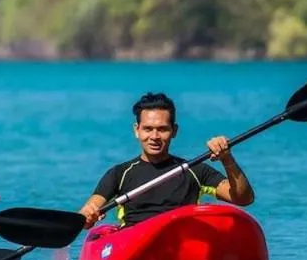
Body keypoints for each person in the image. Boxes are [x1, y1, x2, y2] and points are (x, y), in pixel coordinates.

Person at [77, 92, 255, 228]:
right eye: (148, 129)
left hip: (183, 241)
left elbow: (243, 198)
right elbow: (87, 213)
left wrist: (227, 159)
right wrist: (89, 216)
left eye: (162, 129)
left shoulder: (195, 170)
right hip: (135, 245)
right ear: (137, 130)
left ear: (174, 131)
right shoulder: (119, 174)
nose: (154, 136)